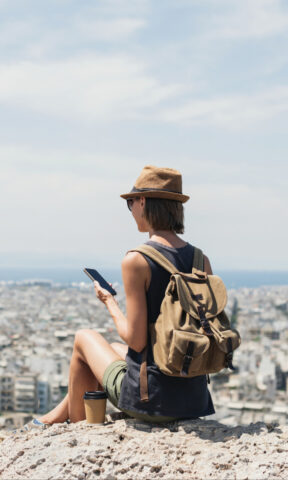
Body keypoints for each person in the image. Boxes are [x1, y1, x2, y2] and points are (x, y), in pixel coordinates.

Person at [38, 165, 215, 425]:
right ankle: (57, 414)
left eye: (130, 203)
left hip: (151, 402)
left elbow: (137, 341)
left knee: (83, 339)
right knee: (113, 349)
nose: (131, 210)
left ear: (142, 202)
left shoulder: (137, 260)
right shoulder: (202, 260)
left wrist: (110, 302)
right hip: (193, 400)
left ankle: (76, 427)